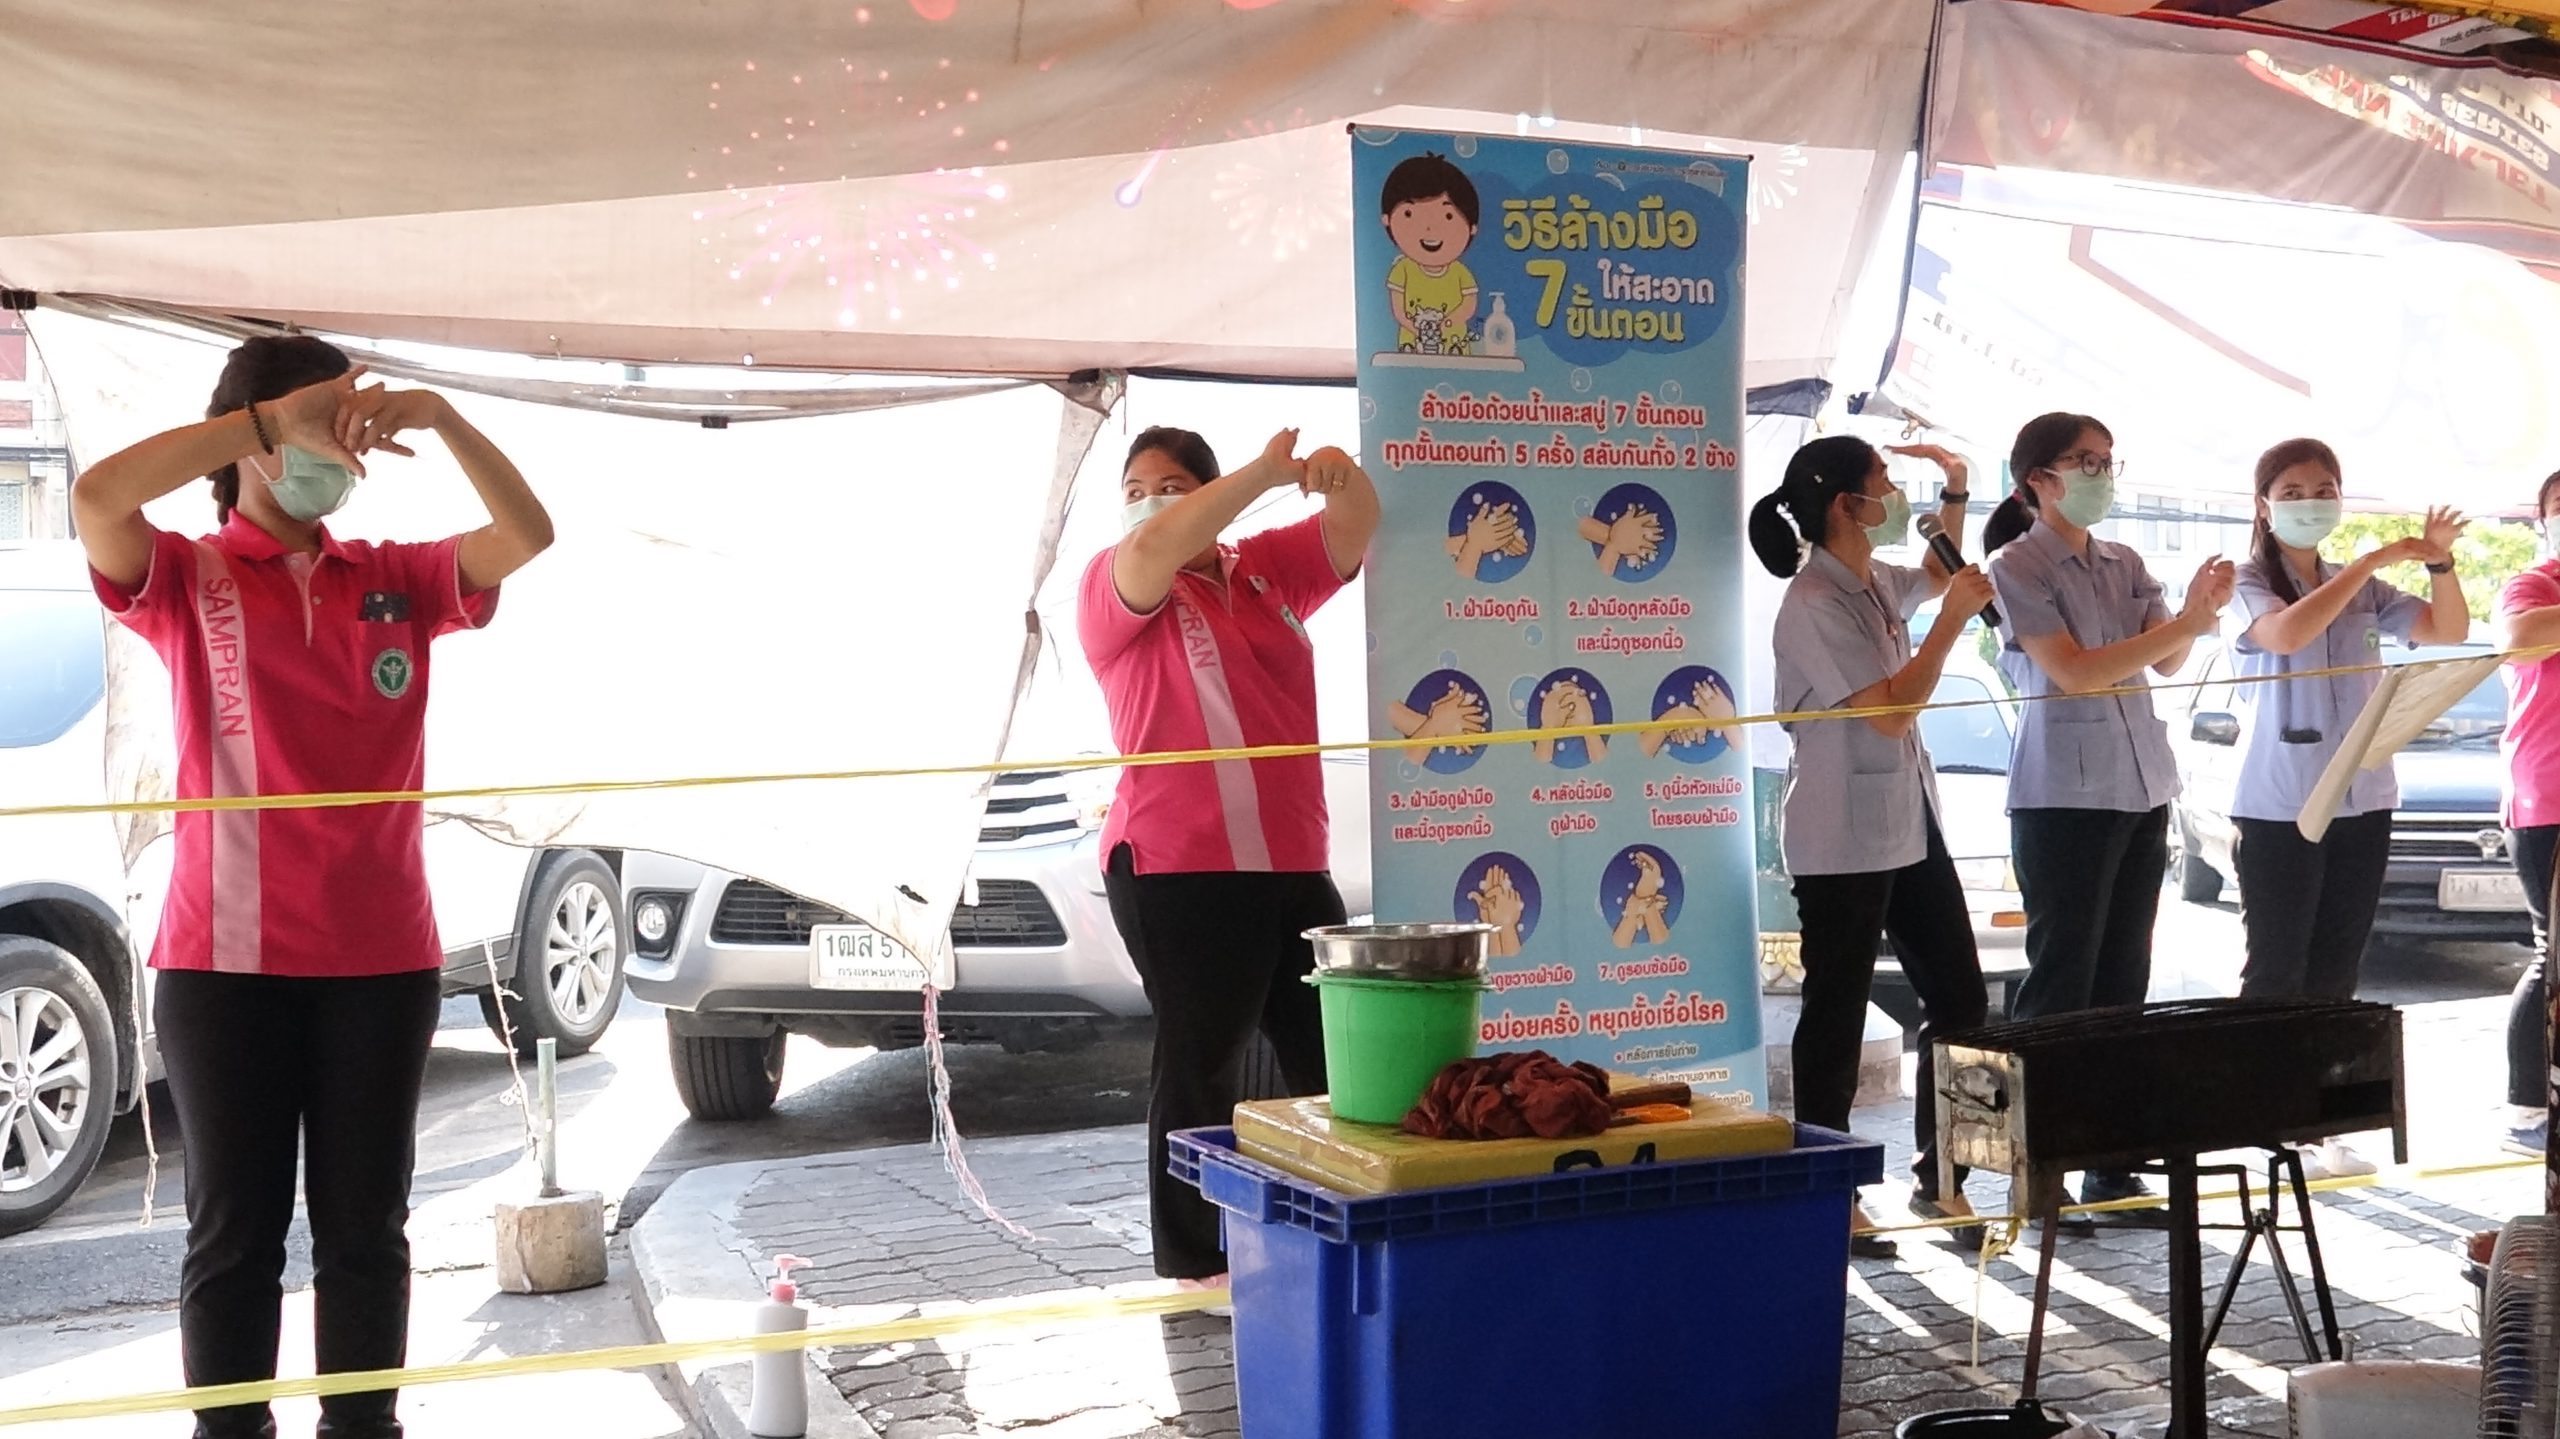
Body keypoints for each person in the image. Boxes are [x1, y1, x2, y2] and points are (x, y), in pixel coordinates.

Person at [71, 335, 553, 1439]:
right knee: (235, 1238)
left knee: (366, 1233)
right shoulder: (186, 574)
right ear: (252, 438)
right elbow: (99, 497)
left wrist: (438, 412)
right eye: (320, 428)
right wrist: (264, 422)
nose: (341, 453)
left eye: (349, 430)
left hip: (380, 962)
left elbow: (526, 534)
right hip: (222, 966)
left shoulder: (395, 576)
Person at [1078, 424, 1380, 1285]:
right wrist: (1263, 472)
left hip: (1292, 859)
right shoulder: (1115, 580)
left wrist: (1336, 475)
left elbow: (1355, 525)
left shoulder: (1263, 568)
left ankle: (1335, 1223)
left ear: (1207, 492)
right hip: (1180, 866)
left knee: (1333, 1054)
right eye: (1135, 490)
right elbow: (1156, 546)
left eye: (1170, 485)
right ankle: (1193, 1261)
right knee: (1202, 1062)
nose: (1149, 503)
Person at [1984, 412, 2233, 1212]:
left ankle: (2111, 1160)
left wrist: (2194, 610)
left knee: (2125, 976)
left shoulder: (2124, 560)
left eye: (2106, 460)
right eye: (2083, 461)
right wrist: (2184, 623)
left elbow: (2169, 657)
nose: (2100, 474)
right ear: (2038, 480)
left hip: (2141, 784)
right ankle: (2037, 1165)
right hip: (2063, 795)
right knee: (2062, 981)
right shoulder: (2016, 565)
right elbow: (2076, 672)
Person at [1753, 435, 1994, 1259]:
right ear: (1844, 504)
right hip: (1841, 834)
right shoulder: (1812, 600)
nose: (1894, 496)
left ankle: (1945, 1172)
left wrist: (1956, 489)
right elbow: (1888, 711)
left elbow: (1935, 575)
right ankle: (1833, 1190)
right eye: (1884, 484)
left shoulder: (1875, 581)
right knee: (1837, 1013)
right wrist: (1951, 628)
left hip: (1909, 821)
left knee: (1962, 998)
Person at [2228, 439, 2467, 1003]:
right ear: (2263, 505)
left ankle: (2328, 1063)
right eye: (2292, 493)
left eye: (2323, 491)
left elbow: (2449, 629)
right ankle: (2265, 1065)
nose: (2310, 503)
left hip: (2364, 797)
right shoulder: (2246, 580)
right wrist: (2368, 563)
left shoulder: (2363, 587)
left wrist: (2440, 563)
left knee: (2337, 969)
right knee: (2277, 973)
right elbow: (2287, 633)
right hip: (2282, 804)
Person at [2495, 469, 2560, 1155]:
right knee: (2555, 954)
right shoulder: (2533, 584)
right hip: (2548, 796)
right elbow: (2520, 637)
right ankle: (2524, 1110)